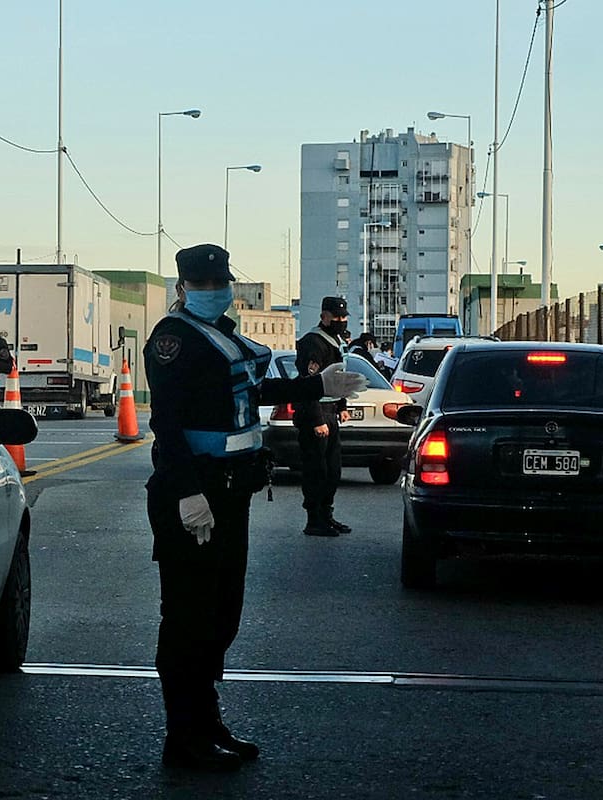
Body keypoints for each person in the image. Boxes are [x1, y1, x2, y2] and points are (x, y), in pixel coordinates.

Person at [145, 244, 365, 773]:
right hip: (196, 494)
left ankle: (208, 721)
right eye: (201, 286)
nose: (212, 292)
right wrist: (185, 492)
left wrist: (317, 385)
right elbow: (167, 424)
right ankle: (184, 736)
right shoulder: (173, 340)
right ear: (184, 289)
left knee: (222, 615)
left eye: (218, 283)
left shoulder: (221, 334)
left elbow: (249, 388)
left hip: (231, 493)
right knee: (189, 619)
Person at [294, 296, 354, 537]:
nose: (341, 321)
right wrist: (317, 419)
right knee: (316, 470)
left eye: (343, 317)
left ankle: (327, 514)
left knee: (333, 469)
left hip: (331, 413)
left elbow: (336, 378)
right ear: (324, 316)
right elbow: (309, 384)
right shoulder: (314, 343)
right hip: (315, 414)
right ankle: (314, 519)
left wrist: (342, 406)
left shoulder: (334, 342)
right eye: (336, 317)